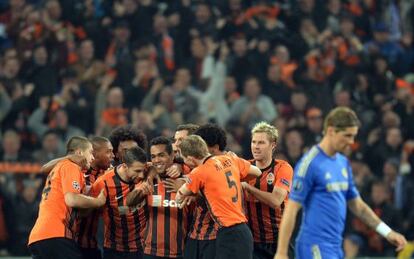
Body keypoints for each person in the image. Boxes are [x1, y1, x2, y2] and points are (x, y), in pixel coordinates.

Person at [274, 107, 407, 259]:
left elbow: (358, 206)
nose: (351, 142)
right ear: (331, 131)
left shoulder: (343, 163)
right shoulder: (310, 164)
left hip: (336, 247)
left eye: (353, 136)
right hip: (314, 246)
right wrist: (281, 252)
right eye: (347, 136)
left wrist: (387, 232)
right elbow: (291, 210)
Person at [176, 135, 262, 259]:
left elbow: (179, 196)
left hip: (228, 232)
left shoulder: (199, 172)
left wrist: (190, 191)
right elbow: (257, 172)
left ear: (190, 159)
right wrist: (237, 178)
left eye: (184, 159)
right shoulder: (230, 159)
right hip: (243, 232)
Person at [28, 136, 106, 259]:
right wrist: (98, 201)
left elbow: (80, 212)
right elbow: (72, 199)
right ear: (79, 152)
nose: (92, 157)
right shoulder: (71, 166)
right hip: (55, 234)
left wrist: (91, 198)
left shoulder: (60, 167)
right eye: (90, 152)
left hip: (40, 237)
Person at [127, 136, 191, 259]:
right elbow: (129, 202)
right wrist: (141, 191)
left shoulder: (187, 179)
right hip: (151, 252)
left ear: (172, 156)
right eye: (153, 156)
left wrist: (185, 188)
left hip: (180, 252)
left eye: (161, 155)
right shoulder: (148, 179)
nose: (156, 160)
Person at [242, 122, 293, 259]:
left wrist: (248, 188)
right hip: (253, 242)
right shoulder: (244, 167)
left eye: (261, 143)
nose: (256, 147)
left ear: (273, 145)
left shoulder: (283, 168)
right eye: (254, 142)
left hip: (279, 240)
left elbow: (276, 201)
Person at [90, 147, 148, 259]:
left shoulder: (147, 171)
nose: (141, 175)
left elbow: (155, 166)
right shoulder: (103, 183)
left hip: (142, 247)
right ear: (125, 166)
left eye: (143, 171)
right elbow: (90, 213)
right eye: (137, 171)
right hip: (114, 249)